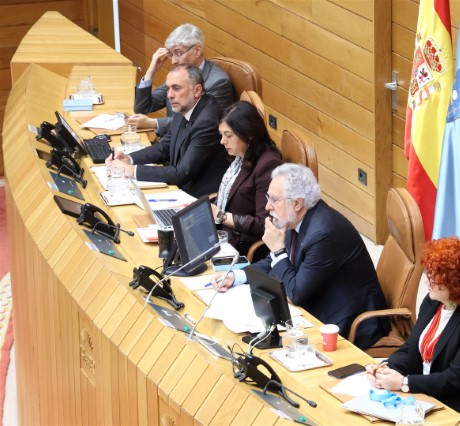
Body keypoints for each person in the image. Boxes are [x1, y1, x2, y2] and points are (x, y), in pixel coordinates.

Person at [211, 163, 390, 349]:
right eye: (268, 197)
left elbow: (296, 293)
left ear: (297, 203)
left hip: (347, 321)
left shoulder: (323, 234)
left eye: (274, 199)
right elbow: (273, 262)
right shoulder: (295, 218)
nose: (267, 206)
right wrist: (236, 276)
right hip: (316, 302)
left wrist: (278, 250)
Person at [365, 237, 460, 420]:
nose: (428, 280)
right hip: (428, 395)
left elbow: (456, 378)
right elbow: (411, 348)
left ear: (456, 284)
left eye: (436, 277)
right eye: (430, 273)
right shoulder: (433, 303)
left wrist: (404, 382)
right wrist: (386, 368)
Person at [106, 64, 229, 197]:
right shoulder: (185, 106)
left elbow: (182, 173)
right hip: (181, 185)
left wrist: (131, 170)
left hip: (199, 194)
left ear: (197, 90)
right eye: (168, 89)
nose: (170, 95)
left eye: (176, 88)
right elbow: (165, 147)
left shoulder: (207, 121)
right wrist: (129, 159)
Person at [129, 23, 234, 137]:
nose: (173, 61)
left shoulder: (218, 82)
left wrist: (154, 123)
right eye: (171, 54)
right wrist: (151, 72)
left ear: (197, 50)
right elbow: (142, 107)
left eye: (178, 53)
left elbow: (200, 122)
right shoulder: (180, 74)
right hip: (169, 141)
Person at [210, 101, 282, 255]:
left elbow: (264, 224)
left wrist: (221, 216)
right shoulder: (241, 156)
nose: (222, 141)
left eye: (228, 135)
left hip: (240, 246)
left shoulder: (268, 164)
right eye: (221, 134)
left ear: (249, 134)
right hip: (222, 234)